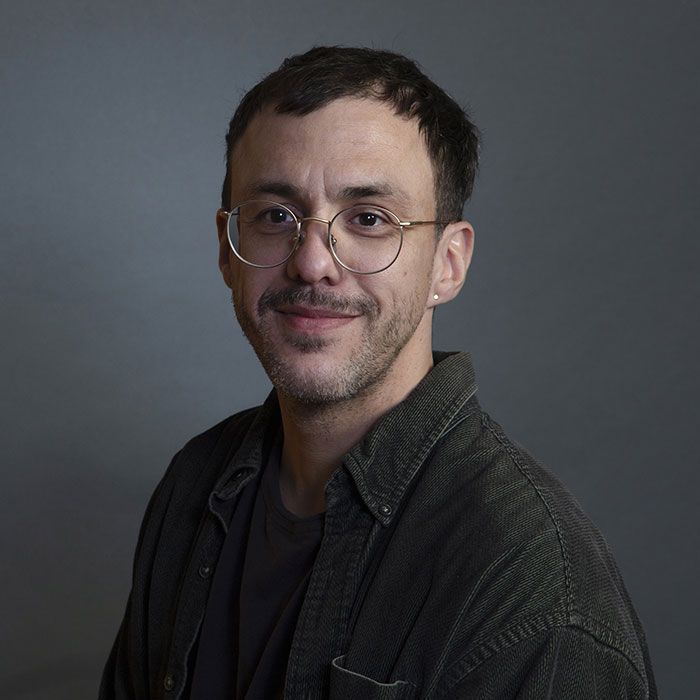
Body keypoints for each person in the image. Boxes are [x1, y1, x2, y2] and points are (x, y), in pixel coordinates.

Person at [100, 46, 657, 699]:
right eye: (276, 215)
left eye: (369, 219)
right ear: (228, 249)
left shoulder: (535, 598)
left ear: (447, 264)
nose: (313, 262)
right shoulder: (196, 482)